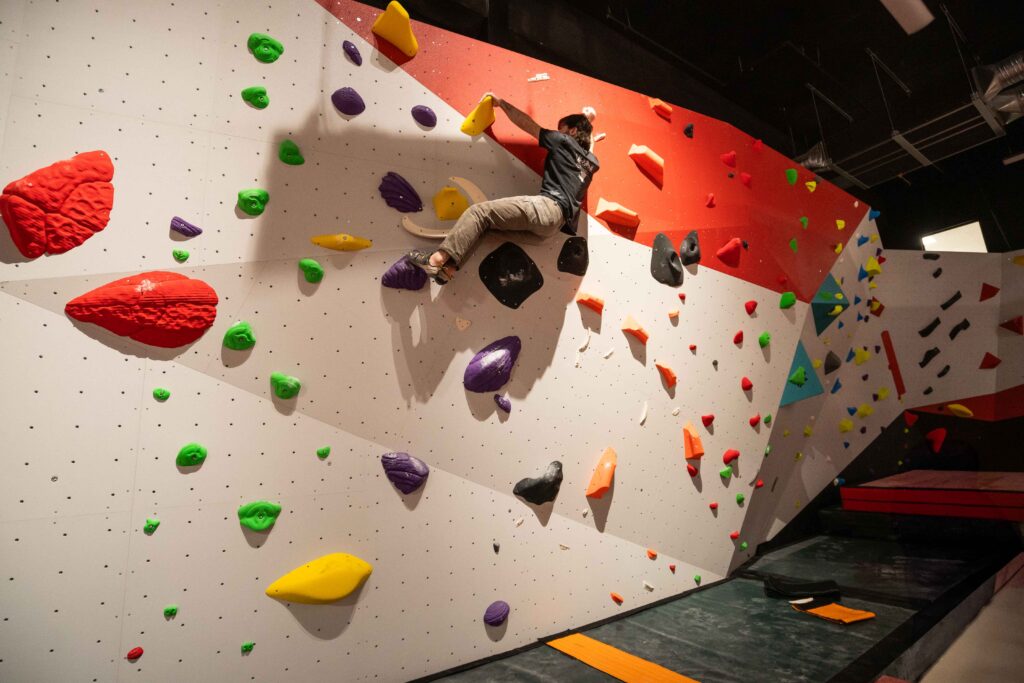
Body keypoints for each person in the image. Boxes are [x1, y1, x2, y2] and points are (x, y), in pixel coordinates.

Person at [407, 94, 600, 284]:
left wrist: (501, 103)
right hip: (550, 231)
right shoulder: (592, 163)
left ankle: (435, 260)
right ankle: (448, 270)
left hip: (547, 209)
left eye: (562, 130)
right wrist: (588, 121)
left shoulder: (564, 141)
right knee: (485, 227)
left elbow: (528, 124)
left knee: (479, 213)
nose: (559, 133)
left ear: (572, 131)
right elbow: (588, 147)